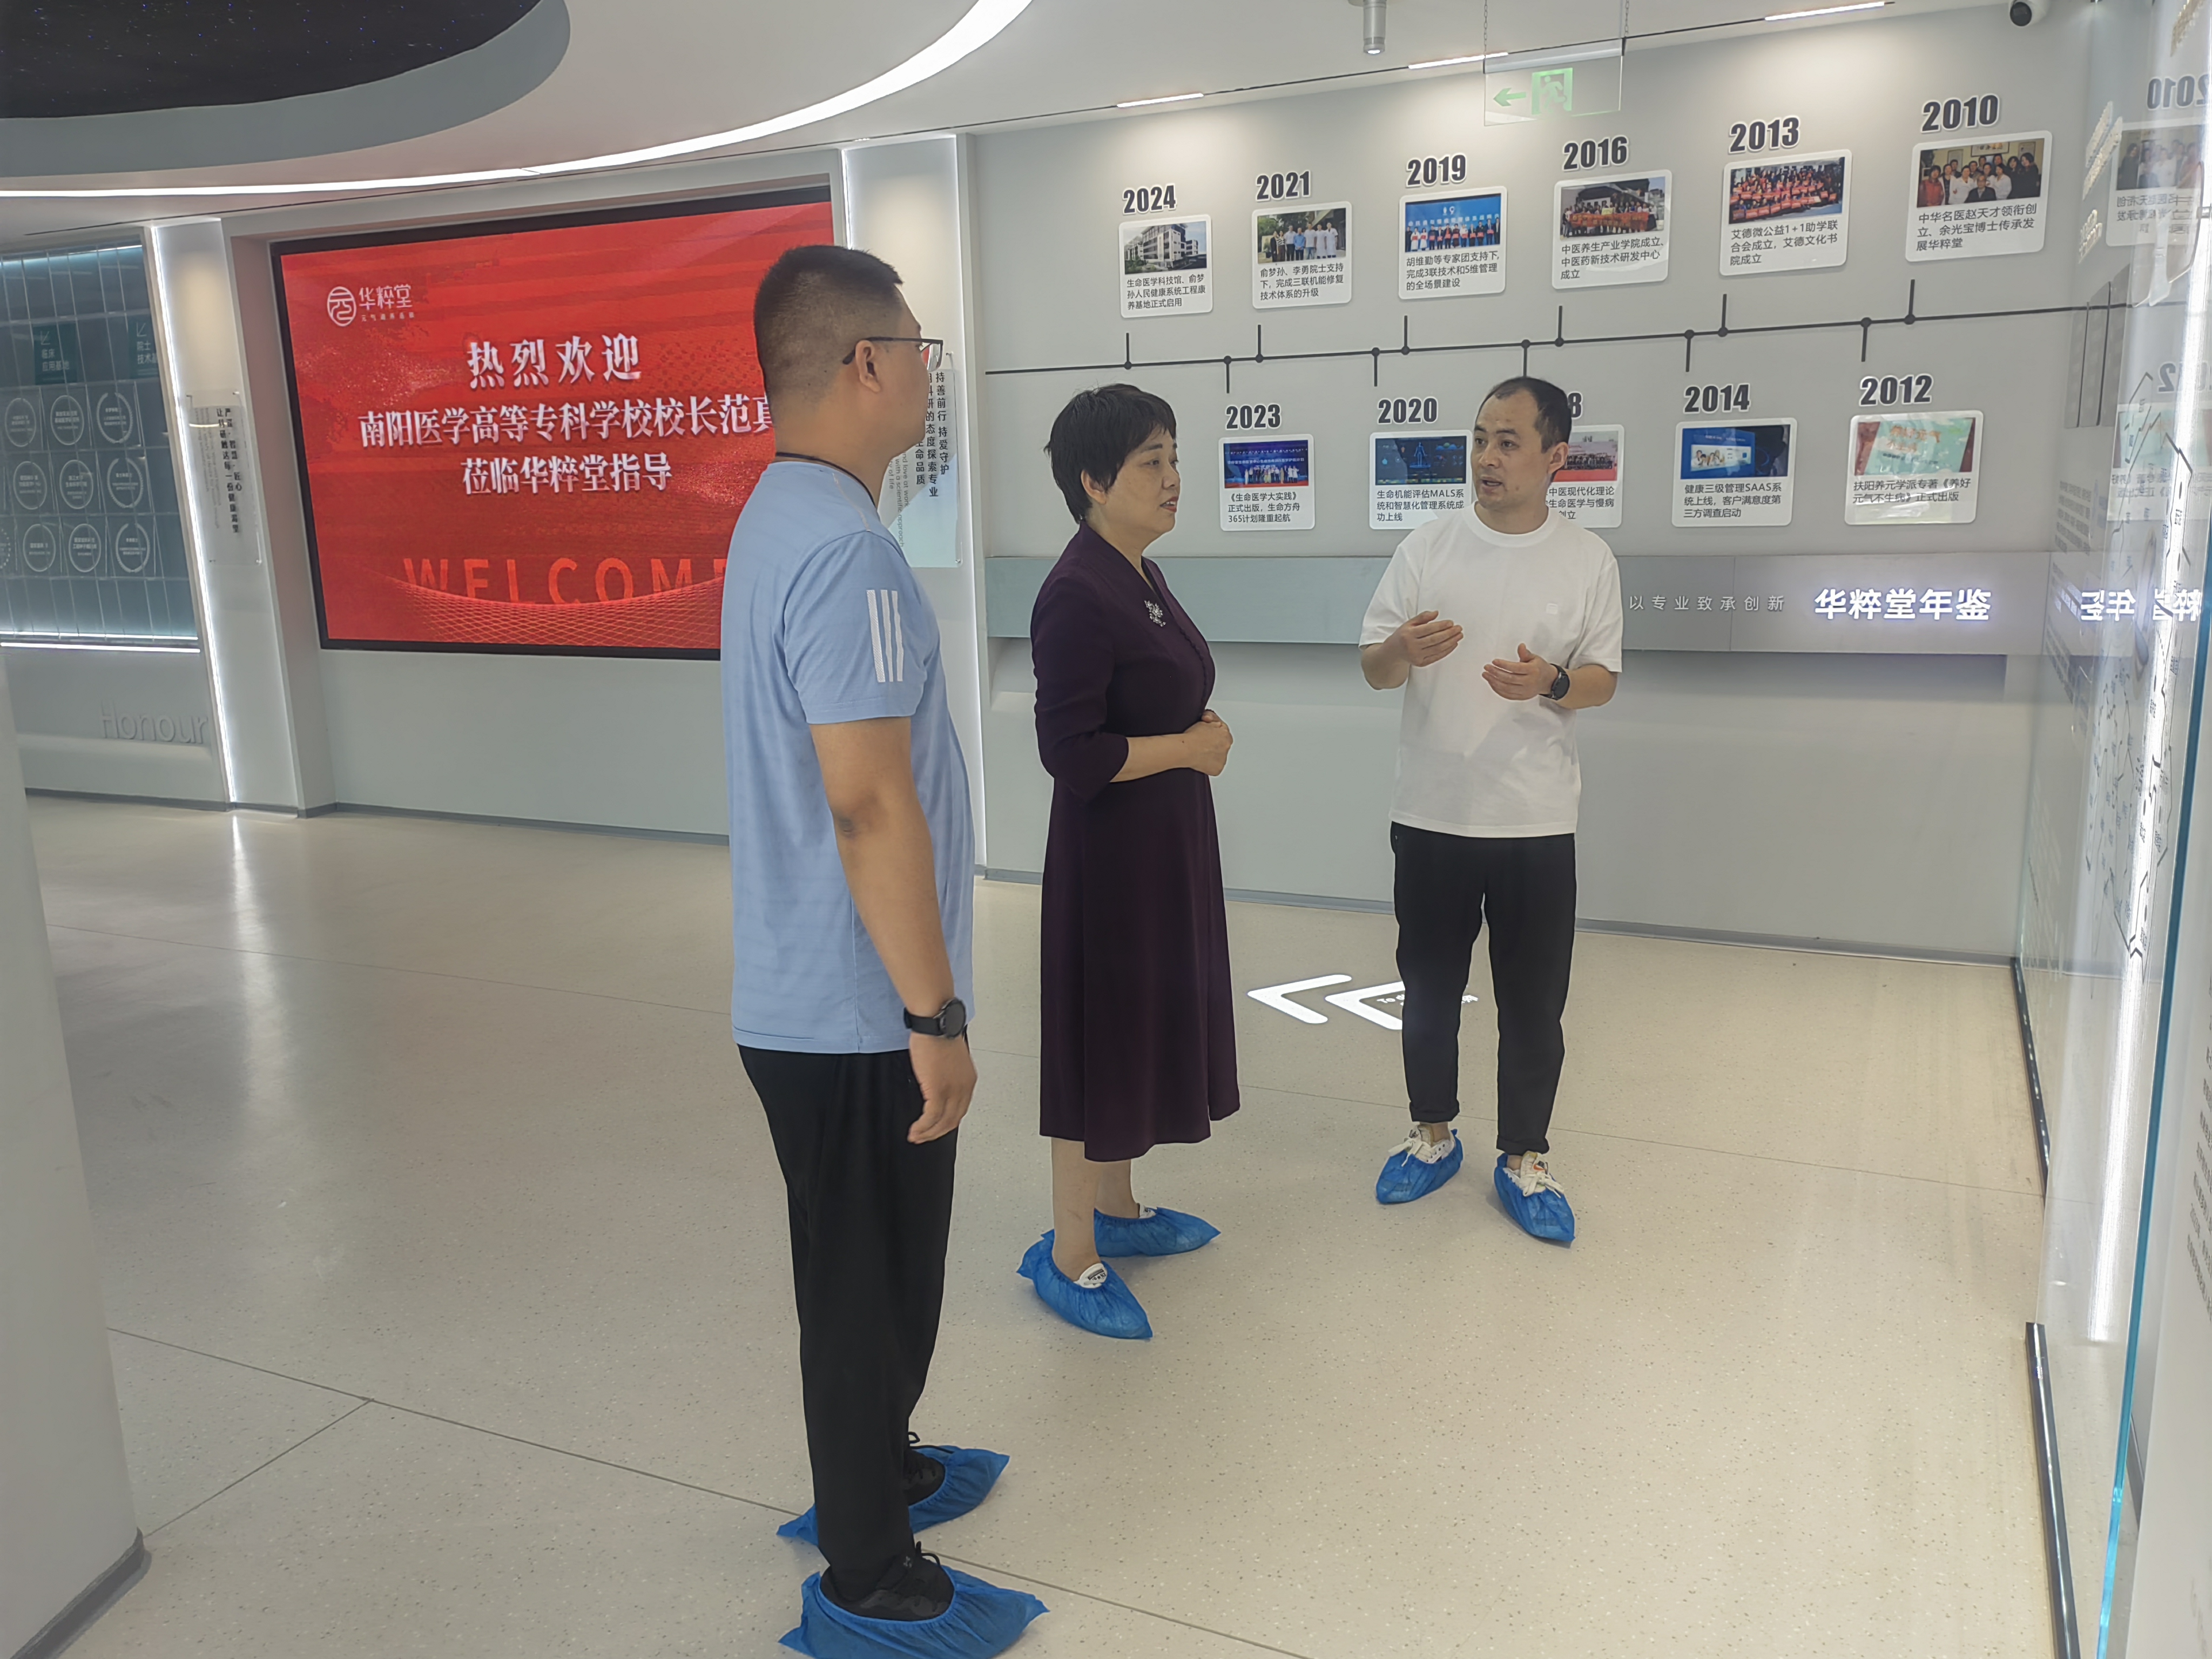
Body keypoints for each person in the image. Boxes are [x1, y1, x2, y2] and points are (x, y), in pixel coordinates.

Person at [721, 243, 1043, 1656]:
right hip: (858, 1009)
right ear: (866, 365)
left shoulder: (781, 514)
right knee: (866, 1290)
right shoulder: (845, 549)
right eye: (918, 349)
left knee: (874, 1272)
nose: (927, 372)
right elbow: (866, 803)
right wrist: (936, 1014)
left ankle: (882, 1465)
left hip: (814, 990)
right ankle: (867, 1570)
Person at [1357, 375, 1623, 1244]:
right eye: (1479, 439)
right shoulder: (1427, 547)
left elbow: (1602, 681)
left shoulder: (1587, 560)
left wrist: (1551, 680)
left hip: (1536, 821)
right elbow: (1374, 668)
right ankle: (1431, 1135)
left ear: (1556, 457)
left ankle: (1524, 1157)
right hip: (1433, 814)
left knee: (1534, 1006)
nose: (1486, 458)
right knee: (1429, 993)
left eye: (1508, 441)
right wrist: (1402, 648)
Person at [1018, 385, 1237, 1340]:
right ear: (1094, 482)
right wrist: (1188, 747)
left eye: (1174, 457)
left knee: (1139, 1028)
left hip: (1163, 850)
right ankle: (1071, 1252)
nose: (1174, 477)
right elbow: (1070, 752)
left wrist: (1191, 735)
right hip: (1110, 866)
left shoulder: (1136, 571)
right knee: (1098, 1040)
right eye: (1152, 462)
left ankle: (1117, 1203)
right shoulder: (1076, 591)